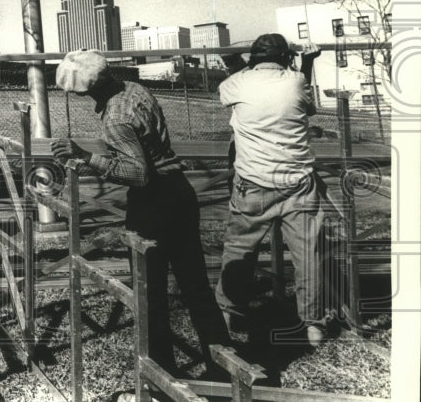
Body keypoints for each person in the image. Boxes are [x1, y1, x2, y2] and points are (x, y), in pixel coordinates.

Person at [50, 49, 231, 378]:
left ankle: (161, 373)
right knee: (196, 288)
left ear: (88, 88)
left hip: (153, 202)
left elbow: (138, 174)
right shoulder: (134, 89)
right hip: (179, 192)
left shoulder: (116, 117)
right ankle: (221, 368)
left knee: (149, 293)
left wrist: (86, 157)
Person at [215, 33, 326, 346]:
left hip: (254, 183)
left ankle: (229, 313)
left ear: (254, 58)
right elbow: (308, 107)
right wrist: (308, 62)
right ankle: (313, 324)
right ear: (286, 58)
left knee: (239, 251)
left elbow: (227, 90)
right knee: (307, 254)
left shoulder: (238, 82)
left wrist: (236, 64)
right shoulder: (296, 81)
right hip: (298, 183)